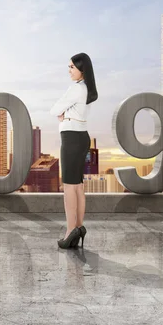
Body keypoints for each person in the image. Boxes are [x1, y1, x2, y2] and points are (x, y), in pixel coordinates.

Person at [49, 52, 98, 249]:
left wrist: (62, 113)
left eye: (72, 67)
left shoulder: (76, 89)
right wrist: (64, 112)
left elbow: (54, 110)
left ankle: (70, 231)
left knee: (69, 186)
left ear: (81, 69)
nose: (69, 70)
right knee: (77, 185)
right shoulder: (87, 89)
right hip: (82, 137)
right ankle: (78, 227)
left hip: (70, 138)